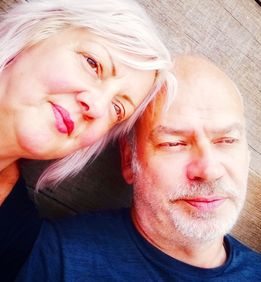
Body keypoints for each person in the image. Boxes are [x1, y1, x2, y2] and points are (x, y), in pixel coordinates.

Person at [17, 55, 261, 281]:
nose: (209, 169)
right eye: (174, 143)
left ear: (247, 155)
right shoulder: (57, 261)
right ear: (129, 160)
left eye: (227, 140)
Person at [0, 0, 174, 280]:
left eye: (117, 109)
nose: (97, 106)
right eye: (93, 63)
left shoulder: (16, 238)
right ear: (35, 33)